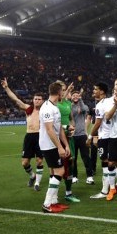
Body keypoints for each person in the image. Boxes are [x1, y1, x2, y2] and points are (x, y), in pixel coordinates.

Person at [1, 78, 45, 191]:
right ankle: (32, 176)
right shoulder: (28, 108)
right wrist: (6, 87)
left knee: (39, 160)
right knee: (25, 163)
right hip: (29, 137)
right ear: (33, 100)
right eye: (35, 99)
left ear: (43, 101)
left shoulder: (46, 110)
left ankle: (37, 184)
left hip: (41, 136)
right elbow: (15, 99)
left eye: (39, 99)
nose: (37, 101)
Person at [87, 82, 117, 199]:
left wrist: (90, 137)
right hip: (112, 135)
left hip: (106, 137)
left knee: (106, 163)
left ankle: (106, 190)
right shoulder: (109, 101)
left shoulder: (101, 105)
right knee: (107, 162)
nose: (93, 91)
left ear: (102, 91)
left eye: (95, 89)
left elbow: (98, 123)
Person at [40, 82, 71, 213]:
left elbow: (59, 129)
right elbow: (49, 130)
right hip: (49, 145)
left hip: (54, 144)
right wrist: (59, 147)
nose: (64, 93)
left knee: (58, 171)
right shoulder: (47, 108)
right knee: (59, 171)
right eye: (63, 91)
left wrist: (66, 145)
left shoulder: (55, 107)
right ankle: (47, 204)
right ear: (59, 93)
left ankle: (54, 201)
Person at [56, 80, 80, 203]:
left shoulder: (68, 104)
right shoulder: (54, 104)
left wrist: (73, 128)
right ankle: (53, 194)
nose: (64, 91)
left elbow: (71, 118)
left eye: (65, 89)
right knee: (57, 166)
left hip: (68, 137)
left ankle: (68, 193)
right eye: (62, 89)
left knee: (71, 163)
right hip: (58, 138)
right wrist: (65, 127)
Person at [71, 90, 94, 185]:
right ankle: (74, 176)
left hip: (82, 135)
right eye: (74, 95)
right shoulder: (69, 106)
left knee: (86, 157)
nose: (75, 97)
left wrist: (80, 100)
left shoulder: (82, 105)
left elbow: (85, 109)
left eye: (77, 95)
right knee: (73, 158)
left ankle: (89, 176)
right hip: (72, 136)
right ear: (71, 97)